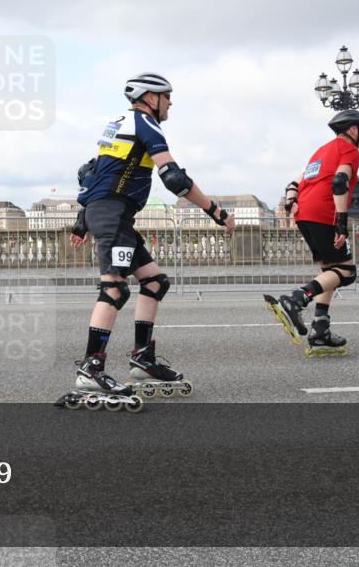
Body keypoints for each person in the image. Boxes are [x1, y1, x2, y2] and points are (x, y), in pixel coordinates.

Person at [58, 73, 235, 410]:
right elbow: (173, 178)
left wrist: (82, 221)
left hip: (111, 214)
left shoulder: (117, 123)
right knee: (114, 289)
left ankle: (142, 359)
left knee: (154, 282)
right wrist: (216, 211)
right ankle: (91, 367)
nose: (170, 103)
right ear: (151, 98)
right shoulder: (146, 123)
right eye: (167, 97)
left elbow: (91, 173)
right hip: (113, 215)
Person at [264, 109, 359, 357]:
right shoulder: (350, 151)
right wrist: (341, 223)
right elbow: (340, 182)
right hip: (324, 213)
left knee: (329, 271)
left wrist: (291, 200)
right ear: (353, 129)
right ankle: (296, 299)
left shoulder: (321, 151)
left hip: (304, 214)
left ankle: (320, 331)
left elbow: (293, 183)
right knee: (347, 272)